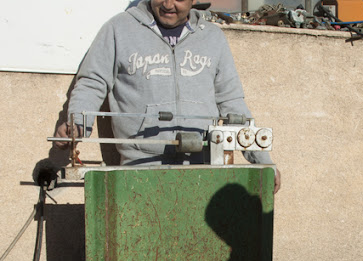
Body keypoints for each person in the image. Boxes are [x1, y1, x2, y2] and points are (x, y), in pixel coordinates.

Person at [54, 0, 280, 193]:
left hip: (203, 170)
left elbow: (232, 102)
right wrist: (78, 125)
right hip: (139, 171)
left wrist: (263, 162)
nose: (168, 4)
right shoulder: (118, 29)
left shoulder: (213, 38)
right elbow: (92, 83)